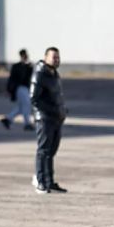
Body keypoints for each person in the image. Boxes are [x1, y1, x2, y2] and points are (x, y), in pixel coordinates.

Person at [31, 47, 67, 194]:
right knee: (43, 151)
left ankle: (49, 182)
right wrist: (51, 111)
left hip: (56, 119)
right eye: (53, 57)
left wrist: (62, 111)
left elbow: (57, 96)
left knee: (51, 151)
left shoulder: (54, 74)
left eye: (58, 57)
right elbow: (34, 98)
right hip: (44, 119)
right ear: (45, 58)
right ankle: (40, 182)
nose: (56, 60)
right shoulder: (40, 73)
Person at [1, 49, 34, 131]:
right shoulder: (17, 66)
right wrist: (8, 89)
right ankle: (27, 124)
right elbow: (11, 78)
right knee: (26, 105)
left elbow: (31, 76)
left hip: (26, 88)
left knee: (21, 107)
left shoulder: (28, 66)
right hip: (20, 88)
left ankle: (8, 119)